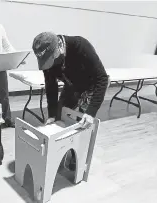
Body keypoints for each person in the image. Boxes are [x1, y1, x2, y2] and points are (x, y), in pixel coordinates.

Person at [32, 32, 109, 170]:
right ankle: (60, 151)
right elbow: (51, 86)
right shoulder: (47, 58)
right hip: (72, 84)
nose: (48, 66)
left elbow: (102, 79)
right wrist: (52, 114)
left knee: (83, 123)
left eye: (51, 60)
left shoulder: (81, 46)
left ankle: (77, 157)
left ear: (59, 48)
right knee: (59, 118)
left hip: (92, 85)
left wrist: (90, 112)